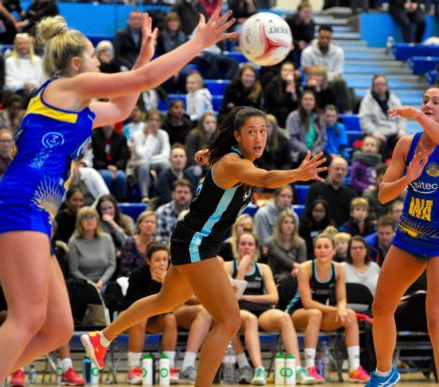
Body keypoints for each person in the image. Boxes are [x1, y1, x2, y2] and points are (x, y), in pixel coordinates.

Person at [0, 9, 237, 387]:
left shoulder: (75, 104)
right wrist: (198, 43)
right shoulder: (64, 88)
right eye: (95, 59)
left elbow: (123, 107)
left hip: (32, 209)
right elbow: (142, 81)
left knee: (59, 328)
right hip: (20, 201)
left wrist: (145, 56)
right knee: (27, 318)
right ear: (78, 63)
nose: (99, 63)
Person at [82, 106, 327, 387]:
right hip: (196, 243)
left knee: (166, 301)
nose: (259, 137)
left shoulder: (236, 161)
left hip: (192, 241)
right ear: (237, 136)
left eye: (263, 131)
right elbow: (268, 180)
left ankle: (101, 338)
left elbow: (230, 167)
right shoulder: (235, 164)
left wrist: (208, 155)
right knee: (229, 320)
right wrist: (298, 173)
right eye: (251, 132)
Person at [366, 85, 439, 387]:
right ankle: (384, 374)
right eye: (424, 100)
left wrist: (415, 116)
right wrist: (408, 178)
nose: (427, 105)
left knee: (437, 321)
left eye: (436, 102)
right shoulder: (405, 144)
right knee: (381, 307)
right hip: (409, 235)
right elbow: (384, 195)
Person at [226, 232, 314, 385]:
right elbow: (232, 297)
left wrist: (246, 297)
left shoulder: (263, 268)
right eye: (243, 244)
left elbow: (274, 297)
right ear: (237, 247)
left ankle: (298, 368)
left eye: (250, 244)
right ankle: (259, 369)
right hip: (239, 311)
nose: (246, 247)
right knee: (251, 319)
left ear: (256, 248)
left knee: (284, 317)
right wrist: (241, 270)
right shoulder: (228, 266)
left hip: (262, 311)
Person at [287, 232, 371, 383]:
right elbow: (307, 303)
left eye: (326, 247)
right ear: (314, 251)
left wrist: (343, 308)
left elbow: (342, 299)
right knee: (315, 313)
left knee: (350, 314)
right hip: (297, 314)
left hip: (320, 314)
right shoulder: (306, 268)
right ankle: (310, 367)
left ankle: (354, 368)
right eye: (318, 247)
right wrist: (337, 309)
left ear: (333, 251)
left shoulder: (338, 269)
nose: (322, 250)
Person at [120, 242, 181, 384]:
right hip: (131, 318)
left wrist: (166, 283)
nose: (161, 264)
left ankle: (168, 367)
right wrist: (154, 282)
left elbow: (172, 306)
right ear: (148, 261)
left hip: (154, 320)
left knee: (170, 319)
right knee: (140, 317)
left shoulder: (171, 276)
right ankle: (134, 368)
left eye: (165, 259)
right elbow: (135, 306)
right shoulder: (138, 275)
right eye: (157, 260)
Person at [68, 207, 117, 292]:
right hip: (83, 284)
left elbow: (112, 264)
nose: (89, 221)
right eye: (85, 218)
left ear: (97, 221)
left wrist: (101, 282)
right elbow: (74, 270)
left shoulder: (107, 238)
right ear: (79, 222)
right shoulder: (73, 241)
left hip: (105, 283)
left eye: (92, 217)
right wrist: (90, 284)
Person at [358, 75, 407, 159]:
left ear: (386, 86)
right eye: (377, 84)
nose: (380, 86)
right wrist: (376, 133)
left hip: (393, 133)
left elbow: (401, 117)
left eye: (382, 84)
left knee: (404, 142)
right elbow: (364, 121)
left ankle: (403, 167)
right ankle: (382, 169)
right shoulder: (366, 102)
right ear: (373, 86)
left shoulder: (395, 100)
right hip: (376, 134)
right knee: (381, 145)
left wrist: (401, 130)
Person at [129, 110, 172, 203]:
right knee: (144, 164)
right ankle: (145, 196)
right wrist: (150, 137)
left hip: (152, 163)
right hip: (137, 167)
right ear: (146, 121)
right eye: (151, 120)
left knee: (165, 164)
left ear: (160, 123)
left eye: (157, 120)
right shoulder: (137, 135)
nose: (153, 123)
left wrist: (149, 160)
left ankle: (162, 194)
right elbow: (142, 155)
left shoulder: (163, 134)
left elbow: (166, 155)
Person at [265, 209, 307, 283]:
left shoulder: (301, 243)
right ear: (280, 224)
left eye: (292, 222)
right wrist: (298, 267)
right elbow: (283, 259)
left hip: (294, 278)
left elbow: (302, 263)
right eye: (286, 222)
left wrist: (298, 269)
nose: (289, 226)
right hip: (274, 280)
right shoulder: (271, 242)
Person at [287, 89, 326, 164]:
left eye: (311, 99)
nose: (308, 102)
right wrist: (307, 151)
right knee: (308, 158)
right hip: (298, 152)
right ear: (301, 101)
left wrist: (315, 151)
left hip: (315, 152)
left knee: (327, 160)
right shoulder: (293, 117)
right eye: (305, 99)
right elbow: (291, 139)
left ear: (315, 102)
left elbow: (323, 139)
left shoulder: (320, 117)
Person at [92, 124, 129, 201]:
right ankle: (105, 200)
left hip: (117, 167)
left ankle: (121, 201)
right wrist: (106, 166)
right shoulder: (94, 136)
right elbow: (94, 157)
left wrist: (116, 166)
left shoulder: (121, 137)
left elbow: (124, 156)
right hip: (100, 167)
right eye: (106, 123)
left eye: (111, 123)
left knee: (121, 176)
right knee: (106, 176)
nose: (108, 125)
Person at [119, 211, 158, 278]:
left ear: (156, 227)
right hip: (129, 280)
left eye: (152, 222)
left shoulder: (157, 245)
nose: (149, 224)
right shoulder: (129, 243)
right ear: (139, 225)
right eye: (146, 222)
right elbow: (125, 270)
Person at [155, 179, 194, 243]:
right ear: (173, 194)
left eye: (186, 192)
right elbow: (159, 239)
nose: (182, 195)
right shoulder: (162, 212)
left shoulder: (195, 213)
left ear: (190, 195)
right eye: (179, 192)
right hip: (166, 250)